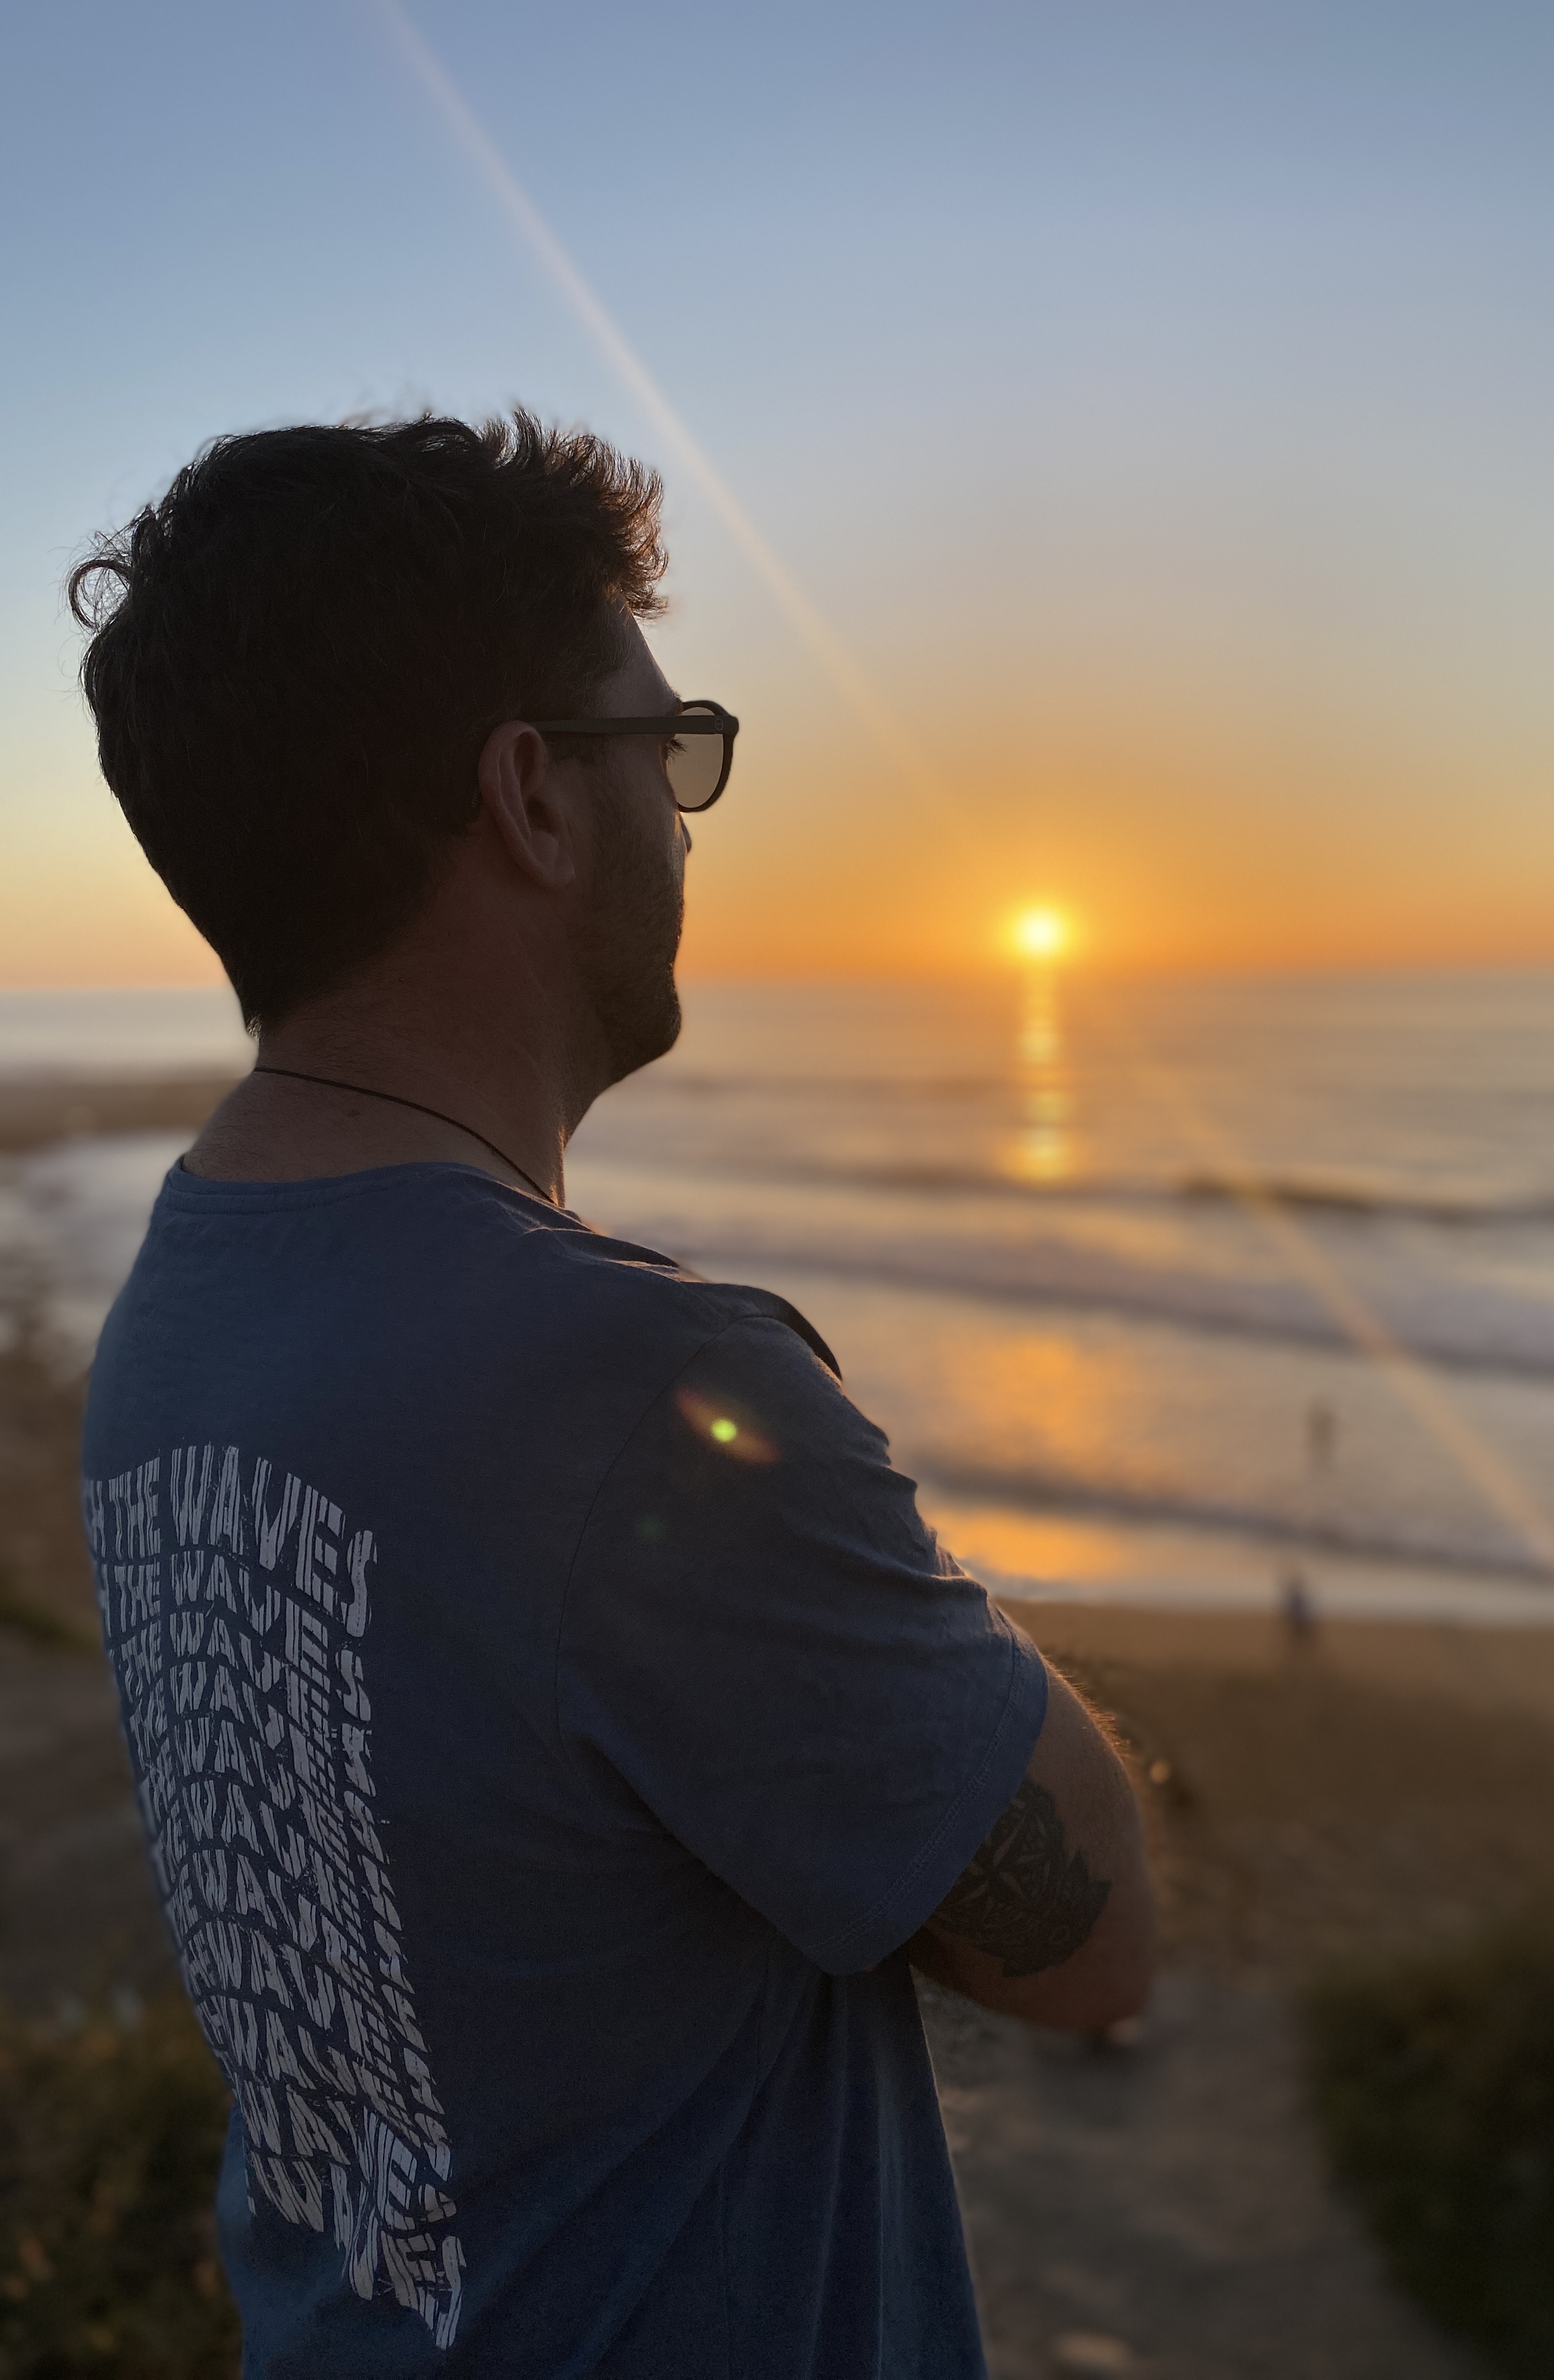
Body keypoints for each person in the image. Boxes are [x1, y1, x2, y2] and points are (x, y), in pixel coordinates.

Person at [68, 413, 1154, 2378]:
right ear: (533, 798)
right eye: (670, 748)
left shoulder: (180, 1292)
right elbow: (1092, 1946)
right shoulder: (633, 1388)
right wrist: (819, 1481)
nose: (687, 814)